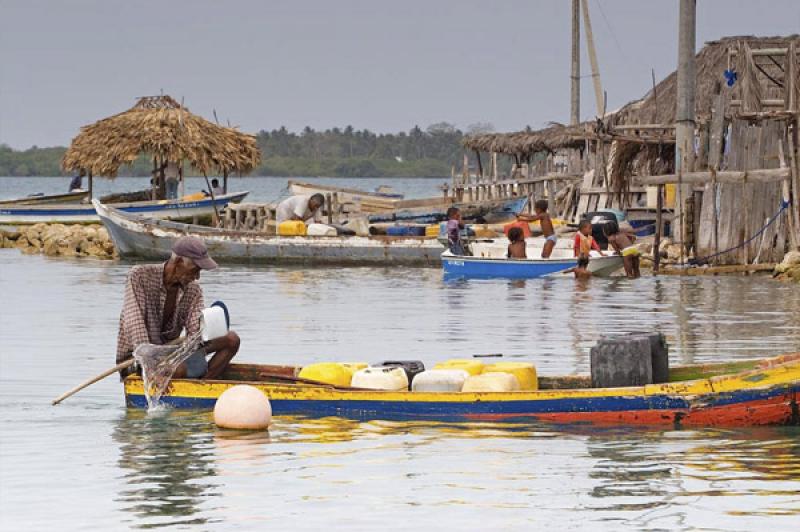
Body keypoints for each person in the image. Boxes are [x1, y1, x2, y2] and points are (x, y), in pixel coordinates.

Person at [116, 236, 240, 380]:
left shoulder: (193, 290)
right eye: (195, 270)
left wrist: (206, 331)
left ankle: (201, 388)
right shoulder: (139, 276)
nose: (197, 277)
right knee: (178, 369)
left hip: (171, 353)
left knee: (231, 339)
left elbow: (195, 331)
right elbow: (134, 322)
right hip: (137, 356)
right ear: (179, 262)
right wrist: (149, 357)